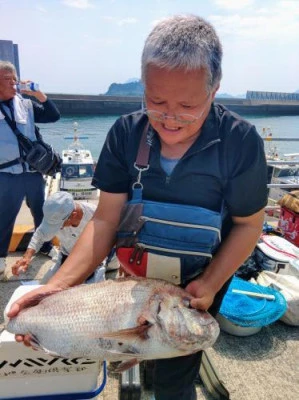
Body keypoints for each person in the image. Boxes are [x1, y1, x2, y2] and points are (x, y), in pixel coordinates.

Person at [8, 15, 268, 400]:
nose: (169, 118)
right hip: (132, 283)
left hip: (198, 285)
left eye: (187, 105)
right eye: (156, 101)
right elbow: (106, 219)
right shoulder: (127, 133)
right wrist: (55, 289)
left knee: (175, 374)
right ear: (143, 86)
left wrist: (210, 284)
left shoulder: (240, 141)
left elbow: (249, 225)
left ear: (214, 91)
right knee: (117, 348)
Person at [0, 61, 60, 274]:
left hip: (33, 171)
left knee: (41, 212)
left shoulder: (25, 105)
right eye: (8, 79)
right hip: (7, 174)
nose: (13, 83)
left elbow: (54, 116)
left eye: (14, 78)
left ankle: (45, 245)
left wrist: (38, 94)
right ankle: (0, 257)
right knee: (5, 216)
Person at [11, 191, 108, 284]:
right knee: (45, 288)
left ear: (74, 215)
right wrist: (26, 257)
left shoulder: (96, 215)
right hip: (67, 255)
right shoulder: (55, 214)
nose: (58, 228)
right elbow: (40, 235)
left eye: (59, 225)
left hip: (93, 259)